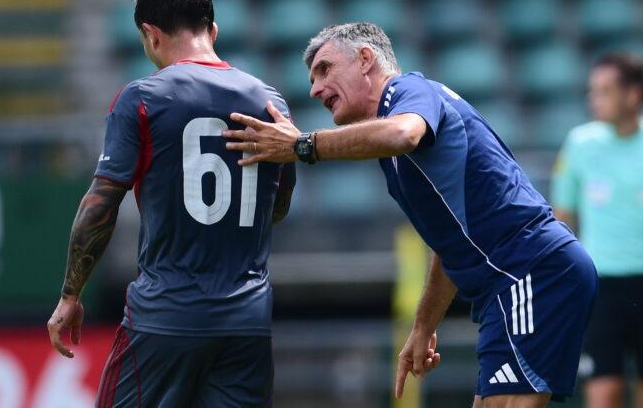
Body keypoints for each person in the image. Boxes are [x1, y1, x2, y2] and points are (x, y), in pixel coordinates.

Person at [224, 22, 597, 408]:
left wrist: (302, 145)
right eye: (313, 79)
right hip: (512, 281)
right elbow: (449, 244)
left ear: (365, 59)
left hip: (529, 270)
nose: (315, 89)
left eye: (325, 69)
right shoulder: (394, 150)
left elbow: (403, 133)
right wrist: (423, 326)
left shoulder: (407, 91)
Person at [45, 0, 295, 408]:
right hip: (247, 322)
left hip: (165, 319)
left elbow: (101, 204)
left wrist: (71, 294)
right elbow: (277, 206)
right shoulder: (270, 101)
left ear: (151, 34)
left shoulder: (141, 98)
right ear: (213, 31)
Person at [552, 53, 643, 408]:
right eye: (593, 91)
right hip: (600, 287)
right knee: (603, 392)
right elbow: (563, 219)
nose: (594, 99)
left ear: (632, 94)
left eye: (604, 91)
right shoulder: (580, 144)